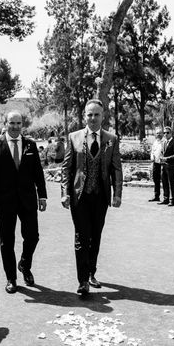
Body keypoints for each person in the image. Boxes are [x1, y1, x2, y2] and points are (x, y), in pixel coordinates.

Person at [61, 99, 123, 296]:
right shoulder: (74, 137)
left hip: (101, 197)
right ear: (84, 116)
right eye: (90, 114)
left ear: (103, 116)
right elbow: (66, 168)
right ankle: (82, 281)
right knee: (81, 237)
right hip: (80, 196)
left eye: (97, 114)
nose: (93, 118)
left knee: (95, 237)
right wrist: (65, 193)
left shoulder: (111, 139)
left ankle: (91, 273)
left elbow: (116, 168)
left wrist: (117, 194)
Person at [0, 110, 47, 293]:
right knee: (7, 241)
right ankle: (11, 278)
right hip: (5, 201)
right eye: (12, 123)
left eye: (19, 123)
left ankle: (25, 265)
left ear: (22, 125)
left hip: (28, 200)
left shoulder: (30, 145)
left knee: (33, 236)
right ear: (6, 123)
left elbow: (38, 173)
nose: (16, 127)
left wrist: (42, 196)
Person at [160, 126, 174, 206]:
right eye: (164, 133)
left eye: (167, 133)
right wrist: (161, 157)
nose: (165, 134)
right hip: (164, 166)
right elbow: (162, 152)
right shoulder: (164, 142)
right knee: (164, 182)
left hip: (171, 166)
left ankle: (172, 200)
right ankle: (166, 198)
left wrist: (166, 159)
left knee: (171, 183)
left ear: (171, 133)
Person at [149, 130, 164, 202]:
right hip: (155, 163)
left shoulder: (164, 142)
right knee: (156, 180)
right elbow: (152, 152)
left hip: (163, 163)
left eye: (160, 133)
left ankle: (166, 197)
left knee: (164, 180)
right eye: (157, 133)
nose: (158, 134)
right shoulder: (155, 142)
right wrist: (152, 157)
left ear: (162, 134)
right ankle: (156, 196)